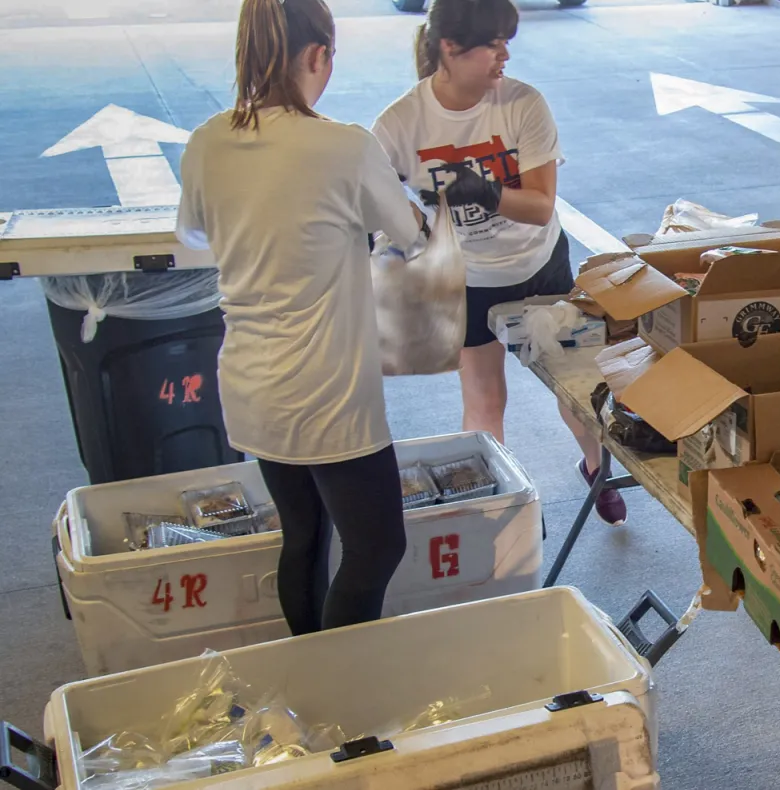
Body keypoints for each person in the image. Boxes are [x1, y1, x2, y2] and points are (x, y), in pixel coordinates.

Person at [177, 0, 418, 635]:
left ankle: (309, 678)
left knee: (304, 535)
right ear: (317, 55)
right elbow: (412, 234)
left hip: (253, 382)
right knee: (377, 548)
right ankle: (337, 689)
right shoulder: (342, 146)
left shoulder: (206, 142)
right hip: (328, 388)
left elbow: (201, 227)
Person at [373, 0, 626, 525]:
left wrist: (484, 192)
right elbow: (376, 212)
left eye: (506, 41)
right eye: (493, 42)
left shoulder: (523, 104)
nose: (504, 54)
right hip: (469, 279)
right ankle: (492, 511)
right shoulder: (399, 124)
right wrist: (403, 237)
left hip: (539, 264)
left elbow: (539, 207)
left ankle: (596, 467)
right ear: (449, 47)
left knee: (573, 389)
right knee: (485, 400)